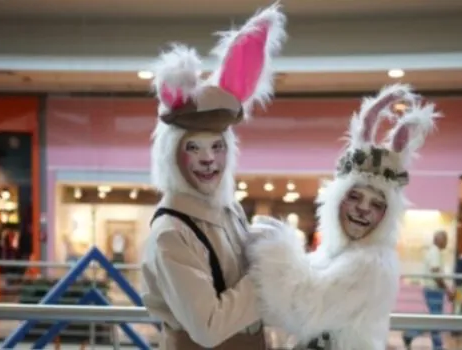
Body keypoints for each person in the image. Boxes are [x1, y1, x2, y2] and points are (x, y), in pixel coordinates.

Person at [246, 84, 440, 350]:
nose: (362, 209)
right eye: (355, 197)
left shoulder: (372, 262)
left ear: (387, 215)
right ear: (336, 199)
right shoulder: (339, 251)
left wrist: (278, 246)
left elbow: (304, 306)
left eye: (376, 204)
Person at [140, 4, 286, 349]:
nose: (208, 159)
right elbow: (207, 326)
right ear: (172, 155)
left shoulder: (229, 210)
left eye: (217, 146)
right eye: (193, 147)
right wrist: (269, 269)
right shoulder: (170, 234)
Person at [402, 230, 454, 350]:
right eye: (445, 239)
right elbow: (435, 273)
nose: (446, 242)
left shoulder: (435, 252)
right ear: (438, 239)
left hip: (434, 290)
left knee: (434, 319)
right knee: (435, 319)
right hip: (434, 291)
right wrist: (447, 290)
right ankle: (436, 345)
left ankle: (411, 334)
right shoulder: (435, 252)